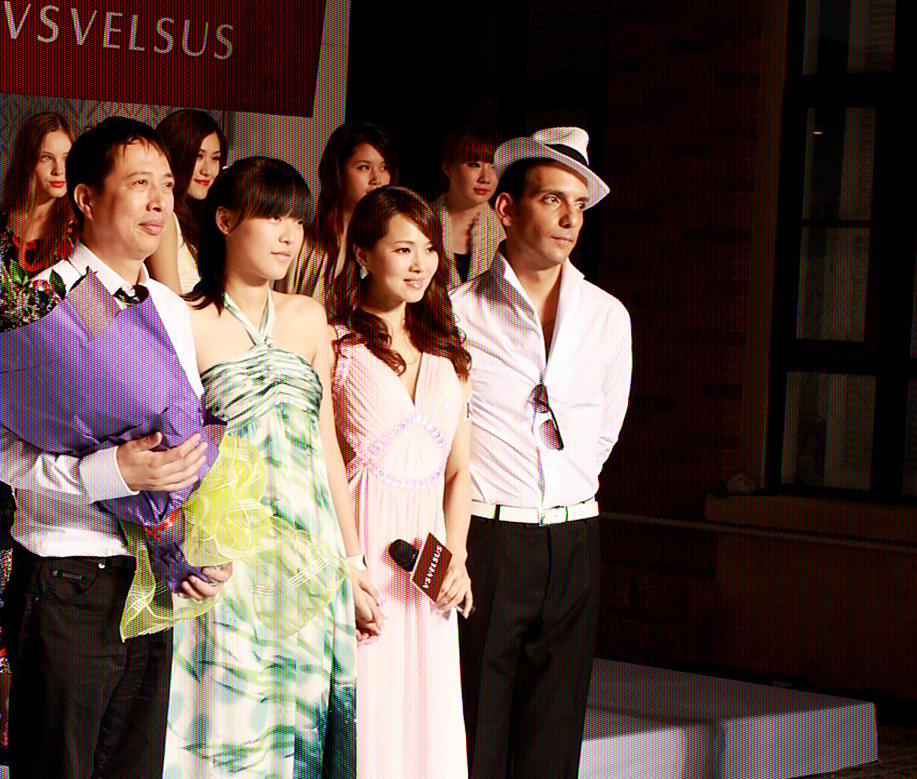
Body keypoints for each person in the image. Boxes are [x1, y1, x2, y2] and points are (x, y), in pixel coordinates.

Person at [0, 116, 228, 779]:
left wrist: (192, 536)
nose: (159, 201)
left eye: (168, 186)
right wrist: (111, 471)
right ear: (86, 198)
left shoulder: (169, 307)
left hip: (150, 577)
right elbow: (2, 454)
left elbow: (184, 430)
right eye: (140, 183)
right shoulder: (47, 301)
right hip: (70, 577)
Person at [167, 157, 377, 779]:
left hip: (310, 552)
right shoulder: (184, 320)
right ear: (225, 220)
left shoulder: (309, 317)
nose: (289, 235)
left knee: (301, 720)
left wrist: (353, 559)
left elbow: (326, 446)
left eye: (297, 221)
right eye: (273, 217)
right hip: (231, 550)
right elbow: (170, 451)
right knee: (234, 725)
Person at [452, 127, 630, 779]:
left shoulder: (607, 316)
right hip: (489, 537)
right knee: (476, 729)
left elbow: (603, 430)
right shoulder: (458, 312)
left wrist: (568, 495)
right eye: (553, 199)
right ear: (506, 208)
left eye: (579, 205)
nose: (569, 219)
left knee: (553, 739)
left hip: (574, 535)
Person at [331, 186, 473, 779]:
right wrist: (346, 566)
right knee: (372, 721)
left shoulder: (449, 351)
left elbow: (459, 470)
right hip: (363, 563)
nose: (421, 264)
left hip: (430, 570)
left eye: (430, 249)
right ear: (363, 254)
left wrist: (457, 559)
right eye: (403, 249)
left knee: (428, 724)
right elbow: (323, 469)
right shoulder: (336, 346)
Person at [276, 122, 393, 315]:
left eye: (384, 167)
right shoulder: (305, 244)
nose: (377, 179)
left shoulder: (389, 245)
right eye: (364, 167)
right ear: (338, 171)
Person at [0, 111, 74, 283]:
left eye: (67, 158)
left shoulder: (81, 232)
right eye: (46, 157)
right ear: (26, 161)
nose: (59, 170)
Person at [151, 108, 225, 294]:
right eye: (198, 156)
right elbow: (170, 302)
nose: (207, 170)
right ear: (174, 155)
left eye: (215, 158)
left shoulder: (205, 221)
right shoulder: (165, 219)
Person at [432, 122, 503, 282]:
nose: (485, 178)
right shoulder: (421, 224)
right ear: (447, 167)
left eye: (494, 167)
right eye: (474, 165)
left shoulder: (506, 232)